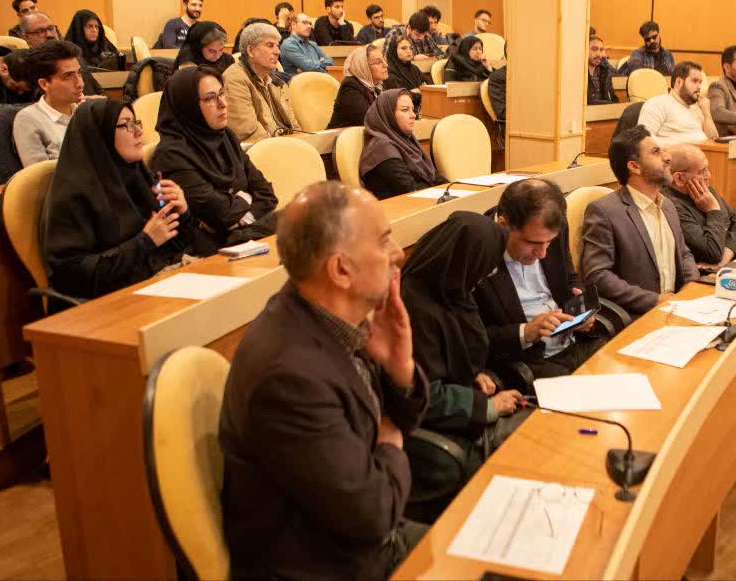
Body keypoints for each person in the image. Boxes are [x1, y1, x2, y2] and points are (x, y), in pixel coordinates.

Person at [220, 180, 429, 580]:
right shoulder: (289, 377)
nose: (398, 254)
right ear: (341, 270)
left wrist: (398, 369)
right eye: (383, 241)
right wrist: (390, 442)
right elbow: (374, 515)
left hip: (363, 540)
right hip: (331, 565)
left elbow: (401, 424)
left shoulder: (328, 318)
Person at [402, 211, 528, 504]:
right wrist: (489, 407)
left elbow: (455, 354)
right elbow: (423, 395)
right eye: (485, 268)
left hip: (458, 403)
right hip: (431, 423)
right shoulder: (415, 309)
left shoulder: (453, 289)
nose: (488, 275)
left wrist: (470, 374)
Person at [42, 98, 198, 299]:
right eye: (126, 125)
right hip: (111, 300)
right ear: (101, 136)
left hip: (157, 282)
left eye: (136, 123)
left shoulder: (138, 175)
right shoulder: (72, 194)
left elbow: (176, 245)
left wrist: (182, 212)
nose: (138, 132)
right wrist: (145, 242)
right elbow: (72, 274)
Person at [475, 179, 605, 380]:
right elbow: (467, 336)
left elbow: (569, 276)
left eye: (549, 242)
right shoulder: (476, 250)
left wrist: (580, 307)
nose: (543, 253)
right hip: (527, 362)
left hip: (574, 341)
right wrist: (525, 332)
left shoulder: (551, 229)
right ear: (503, 226)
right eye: (533, 243)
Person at [149, 68, 278, 254]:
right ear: (188, 105)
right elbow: (221, 213)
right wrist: (246, 197)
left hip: (244, 239)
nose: (223, 104)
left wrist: (241, 219)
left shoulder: (226, 137)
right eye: (210, 98)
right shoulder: (171, 154)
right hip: (206, 252)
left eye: (222, 93)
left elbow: (267, 194)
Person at [582, 125, 700, 316]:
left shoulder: (668, 205)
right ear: (634, 166)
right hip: (639, 314)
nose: (668, 157)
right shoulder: (604, 211)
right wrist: (654, 300)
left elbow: (683, 253)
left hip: (678, 308)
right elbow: (598, 275)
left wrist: (690, 286)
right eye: (656, 152)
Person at [663, 145, 736, 270]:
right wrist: (713, 211)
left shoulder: (706, 191)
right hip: (700, 274)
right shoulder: (671, 206)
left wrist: (727, 255)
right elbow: (712, 253)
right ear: (679, 178)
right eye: (702, 171)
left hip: (728, 261)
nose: (709, 176)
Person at [359, 89, 446, 199]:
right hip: (399, 207)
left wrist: (453, 189)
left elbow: (433, 176)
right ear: (388, 114)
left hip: (422, 202)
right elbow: (411, 189)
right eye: (405, 110)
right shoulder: (382, 149)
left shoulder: (405, 140)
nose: (413, 115)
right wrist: (444, 191)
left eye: (413, 109)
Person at [223, 22, 299, 142]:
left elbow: (294, 127)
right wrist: (286, 146)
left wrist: (302, 143)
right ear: (250, 50)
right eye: (270, 45)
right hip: (261, 149)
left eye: (277, 46)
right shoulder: (234, 79)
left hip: (284, 144)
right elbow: (247, 133)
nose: (277, 52)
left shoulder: (278, 83)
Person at [15, 40, 87, 165]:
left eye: (79, 73)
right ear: (44, 84)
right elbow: (39, 174)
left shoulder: (87, 112)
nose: (79, 83)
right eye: (68, 76)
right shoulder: (28, 119)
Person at [16, 10, 104, 97]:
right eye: (40, 31)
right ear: (26, 37)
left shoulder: (73, 56)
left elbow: (98, 90)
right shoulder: (26, 65)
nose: (49, 35)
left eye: (51, 28)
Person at [638, 61, 719, 147]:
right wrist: (682, 148)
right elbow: (644, 141)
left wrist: (707, 115)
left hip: (706, 152)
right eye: (695, 81)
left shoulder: (697, 108)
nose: (699, 87)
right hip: (676, 154)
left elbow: (713, 140)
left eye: (700, 82)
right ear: (678, 82)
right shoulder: (657, 104)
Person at [328, 45, 386, 129]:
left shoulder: (378, 84)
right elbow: (370, 119)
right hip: (341, 135)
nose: (386, 65)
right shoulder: (350, 86)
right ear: (364, 66)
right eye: (378, 62)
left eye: (384, 59)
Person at [383, 35, 424, 114]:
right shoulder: (389, 71)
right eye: (404, 48)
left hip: (420, 108)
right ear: (394, 50)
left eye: (410, 48)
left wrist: (412, 92)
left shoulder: (414, 69)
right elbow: (400, 96)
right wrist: (418, 93)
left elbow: (429, 87)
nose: (409, 51)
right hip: (400, 112)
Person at [587, 36, 616, 105]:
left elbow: (613, 98)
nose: (599, 54)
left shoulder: (605, 71)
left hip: (605, 110)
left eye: (601, 50)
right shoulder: (578, 72)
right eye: (594, 49)